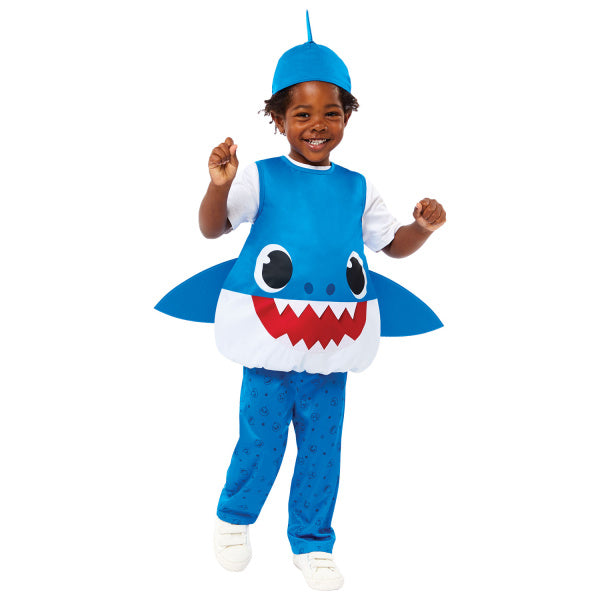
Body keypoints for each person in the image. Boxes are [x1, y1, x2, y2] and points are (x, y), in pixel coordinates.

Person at [198, 13, 446, 591]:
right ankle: (235, 517)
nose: (317, 125)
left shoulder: (358, 186)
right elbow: (212, 229)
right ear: (278, 119)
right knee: (261, 439)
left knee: (322, 448)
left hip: (331, 344)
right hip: (269, 340)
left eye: (331, 113)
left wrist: (421, 228)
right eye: (302, 114)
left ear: (347, 117)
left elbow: (391, 246)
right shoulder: (260, 177)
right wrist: (219, 183)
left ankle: (312, 541)